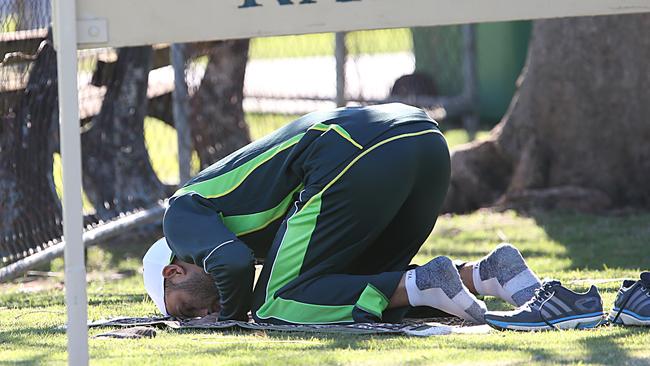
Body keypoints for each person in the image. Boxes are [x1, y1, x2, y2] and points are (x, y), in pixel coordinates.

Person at [143, 103, 542, 324]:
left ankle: (430, 283)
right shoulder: (235, 229)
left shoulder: (180, 217)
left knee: (272, 305)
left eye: (186, 310)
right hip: (424, 140)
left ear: (173, 271)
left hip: (359, 152)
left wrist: (234, 320)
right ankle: (488, 273)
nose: (202, 315)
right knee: (347, 287)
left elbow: (231, 262)